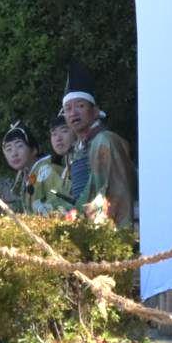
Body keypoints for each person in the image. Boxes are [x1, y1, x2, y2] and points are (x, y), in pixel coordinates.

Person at [62, 63, 137, 227]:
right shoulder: (74, 150)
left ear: (95, 111)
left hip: (108, 226)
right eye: (68, 108)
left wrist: (77, 212)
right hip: (84, 223)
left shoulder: (105, 141)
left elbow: (107, 190)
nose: (73, 113)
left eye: (80, 106)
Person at [1, 121, 72, 216]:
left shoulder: (45, 170)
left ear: (34, 150)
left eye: (19, 146)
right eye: (8, 149)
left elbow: (61, 201)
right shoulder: (29, 174)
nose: (14, 153)